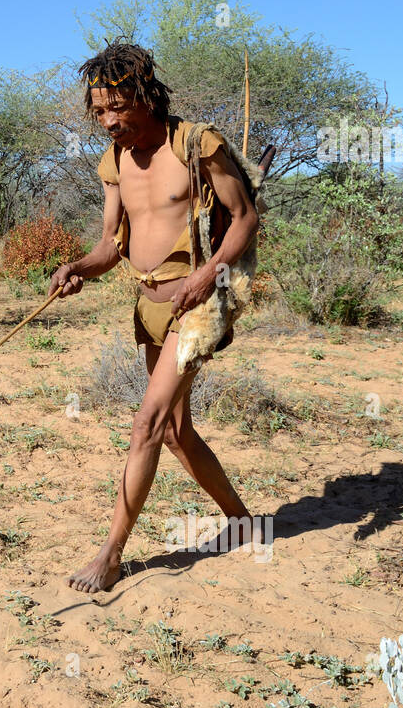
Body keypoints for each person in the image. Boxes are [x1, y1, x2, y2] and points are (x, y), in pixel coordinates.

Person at [49, 41, 258, 593]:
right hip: (149, 304)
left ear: (144, 97)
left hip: (199, 302)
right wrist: (76, 268)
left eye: (117, 107)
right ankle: (244, 522)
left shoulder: (197, 145)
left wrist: (205, 274)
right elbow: (110, 248)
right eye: (98, 111)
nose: (107, 120)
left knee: (147, 423)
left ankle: (111, 554)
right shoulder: (114, 161)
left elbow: (244, 218)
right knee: (174, 431)